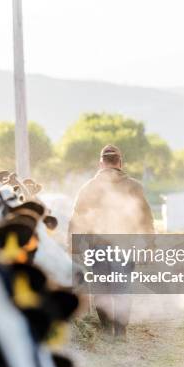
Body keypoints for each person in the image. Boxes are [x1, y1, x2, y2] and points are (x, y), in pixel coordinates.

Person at [69, 144, 154, 338]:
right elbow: (146, 218)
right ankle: (120, 334)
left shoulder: (88, 188)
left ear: (101, 163)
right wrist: (150, 245)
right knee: (122, 289)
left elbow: (76, 219)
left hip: (97, 247)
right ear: (120, 162)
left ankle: (107, 333)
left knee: (101, 290)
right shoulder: (134, 186)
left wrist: (73, 247)